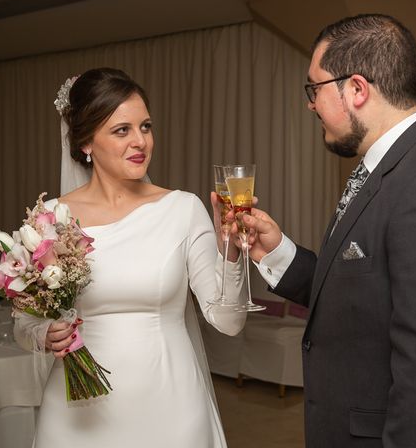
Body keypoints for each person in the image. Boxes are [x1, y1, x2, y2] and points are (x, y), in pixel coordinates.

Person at [240, 14, 416, 447]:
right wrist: (276, 251)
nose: (310, 104)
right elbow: (364, 296)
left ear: (356, 89)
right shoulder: (393, 168)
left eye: (314, 88)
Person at [14, 67, 246, 448]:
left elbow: (229, 321)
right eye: (122, 130)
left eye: (146, 127)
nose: (140, 141)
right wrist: (44, 333)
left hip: (170, 406)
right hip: (77, 412)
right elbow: (24, 326)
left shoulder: (182, 210)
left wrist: (230, 246)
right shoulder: (51, 218)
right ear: (86, 141)